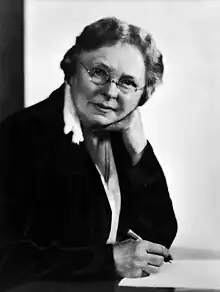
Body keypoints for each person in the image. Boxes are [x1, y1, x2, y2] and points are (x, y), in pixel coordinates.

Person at [0, 17, 177, 282]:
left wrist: (139, 149)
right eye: (99, 72)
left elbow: (158, 237)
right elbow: (5, 260)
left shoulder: (119, 134)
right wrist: (110, 260)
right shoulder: (20, 136)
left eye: (128, 82)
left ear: (143, 94)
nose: (110, 92)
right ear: (71, 70)